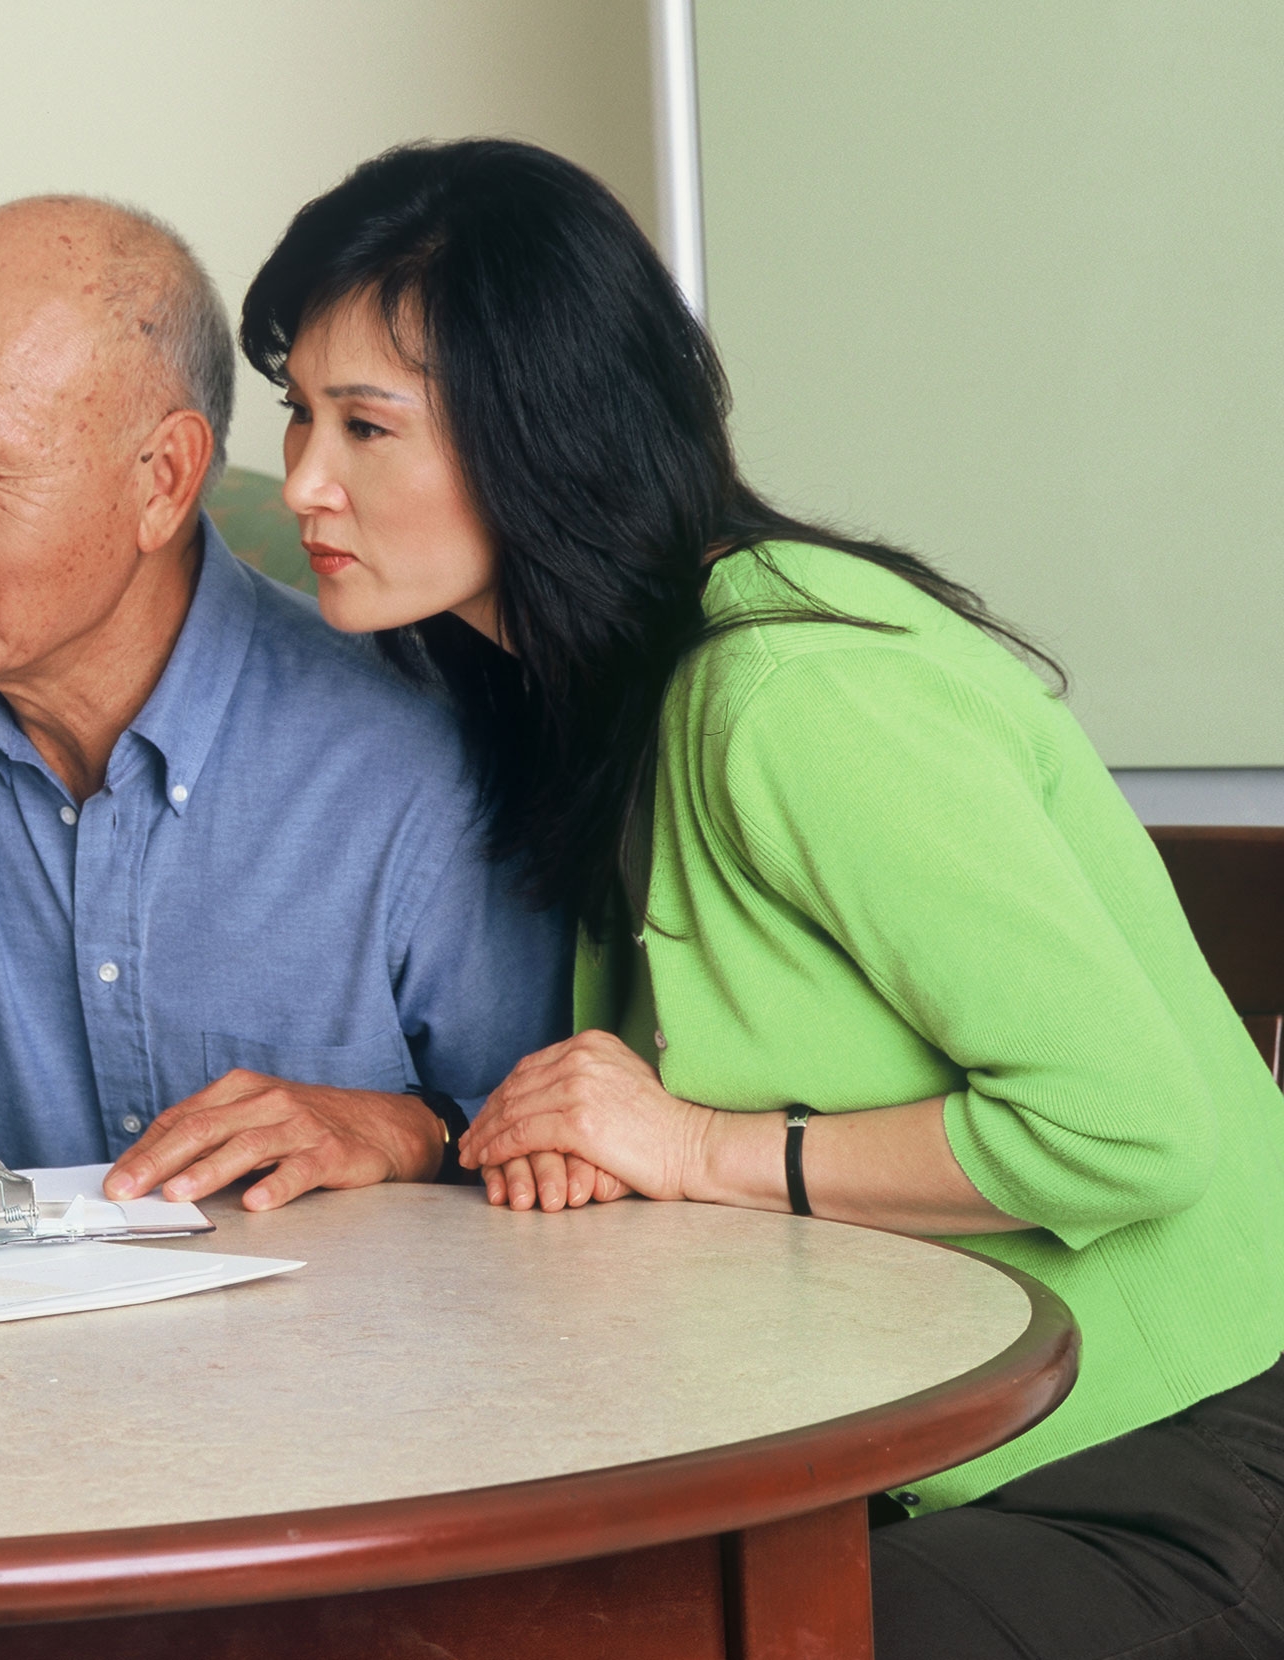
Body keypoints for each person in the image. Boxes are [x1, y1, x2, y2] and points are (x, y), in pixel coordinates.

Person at [241, 137, 1284, 1656]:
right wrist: (472, 1137)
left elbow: (1130, 1129)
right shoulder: (594, 695)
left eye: (365, 426)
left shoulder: (791, 697)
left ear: (543, 430)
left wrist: (692, 1147)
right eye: (297, 415)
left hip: (1169, 1446)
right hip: (911, 1443)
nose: (302, 485)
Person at [0, 196, 566, 1208]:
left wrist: (410, 1125)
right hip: (27, 1354)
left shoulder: (418, 734)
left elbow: (546, 1132)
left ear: (162, 481)